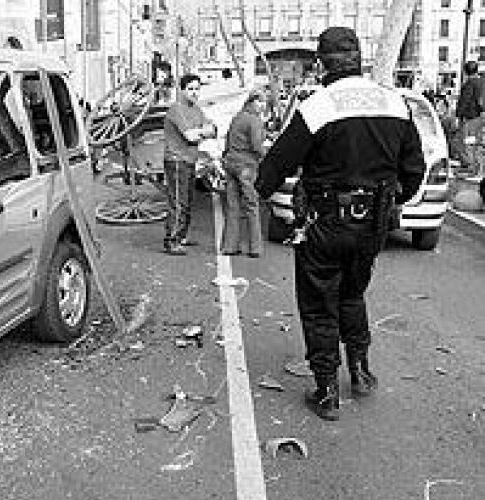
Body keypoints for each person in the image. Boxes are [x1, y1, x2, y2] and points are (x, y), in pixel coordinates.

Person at [254, 27, 426, 421]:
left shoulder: (319, 106)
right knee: (352, 294)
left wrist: (259, 190)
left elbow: (277, 164)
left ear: (321, 64)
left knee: (319, 304)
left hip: (327, 222)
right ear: (360, 59)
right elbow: (413, 170)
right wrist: (392, 201)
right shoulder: (394, 103)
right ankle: (361, 372)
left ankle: (327, 390)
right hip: (373, 225)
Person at [162, 73, 217, 255]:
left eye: (197, 89)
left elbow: (213, 129)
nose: (194, 92)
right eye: (190, 89)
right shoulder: (176, 110)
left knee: (187, 201)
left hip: (189, 159)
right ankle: (172, 240)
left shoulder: (196, 110)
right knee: (178, 202)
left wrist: (201, 131)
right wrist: (203, 131)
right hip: (177, 160)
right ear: (182, 90)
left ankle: (181, 236)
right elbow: (191, 136)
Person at [220, 89, 267, 257]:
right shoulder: (254, 120)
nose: (263, 106)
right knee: (252, 206)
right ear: (252, 102)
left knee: (233, 206)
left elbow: (227, 141)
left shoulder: (237, 117)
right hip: (246, 165)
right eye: (260, 102)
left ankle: (230, 246)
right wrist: (267, 156)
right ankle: (255, 248)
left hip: (231, 163)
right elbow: (256, 145)